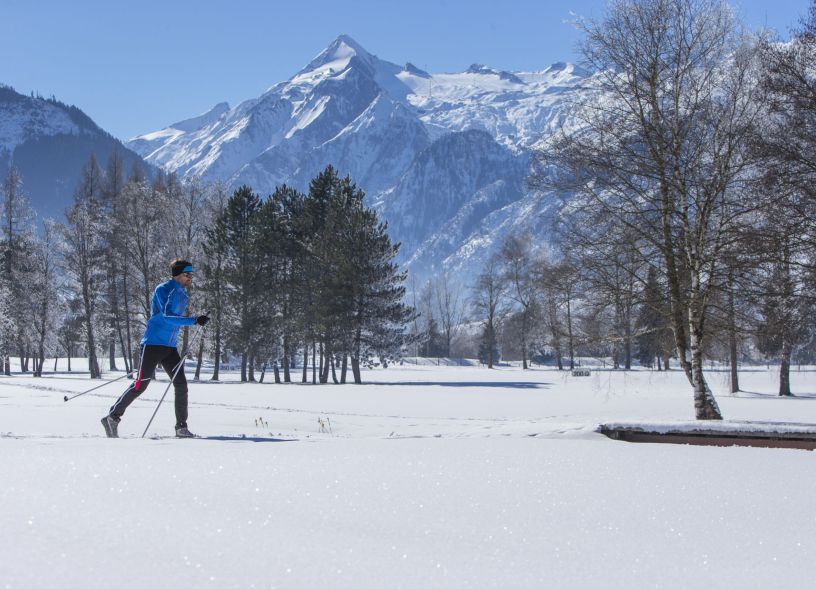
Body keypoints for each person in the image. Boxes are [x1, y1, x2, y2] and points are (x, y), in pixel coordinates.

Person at [101, 259, 209, 438]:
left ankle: (181, 427)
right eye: (187, 274)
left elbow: (175, 319)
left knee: (181, 384)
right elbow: (167, 317)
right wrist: (193, 320)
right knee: (140, 385)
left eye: (191, 274)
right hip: (152, 344)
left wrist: (197, 319)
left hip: (169, 347)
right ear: (177, 274)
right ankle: (112, 417)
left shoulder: (183, 294)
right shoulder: (164, 289)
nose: (191, 277)